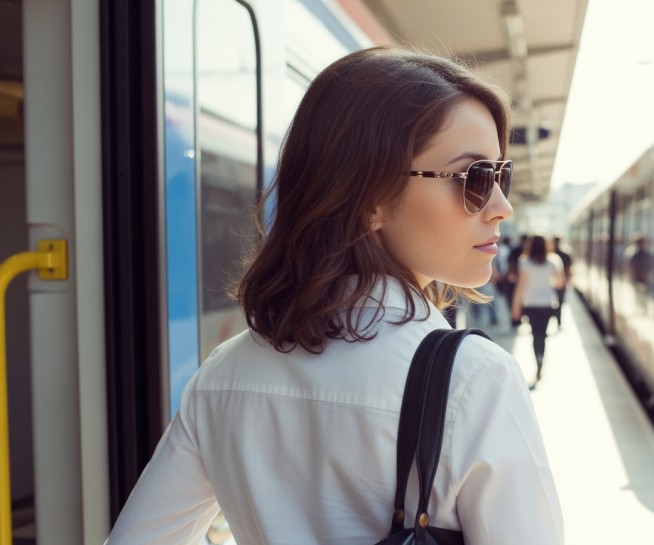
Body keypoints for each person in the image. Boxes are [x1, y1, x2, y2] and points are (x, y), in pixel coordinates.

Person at [106, 46, 563, 545]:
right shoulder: (474, 379)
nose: (501, 206)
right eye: (475, 178)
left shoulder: (222, 376)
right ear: (371, 198)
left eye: (501, 175)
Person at [511, 235, 565, 387]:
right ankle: (541, 359)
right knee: (543, 334)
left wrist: (515, 307)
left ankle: (538, 359)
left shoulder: (524, 262)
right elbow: (560, 283)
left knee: (535, 335)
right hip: (547, 303)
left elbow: (520, 286)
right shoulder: (553, 261)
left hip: (530, 303)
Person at [551, 236, 573, 327]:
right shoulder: (565, 254)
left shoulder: (550, 255)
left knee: (554, 302)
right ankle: (558, 320)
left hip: (551, 283)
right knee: (559, 302)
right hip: (561, 282)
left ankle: (554, 317)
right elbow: (568, 269)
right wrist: (568, 281)